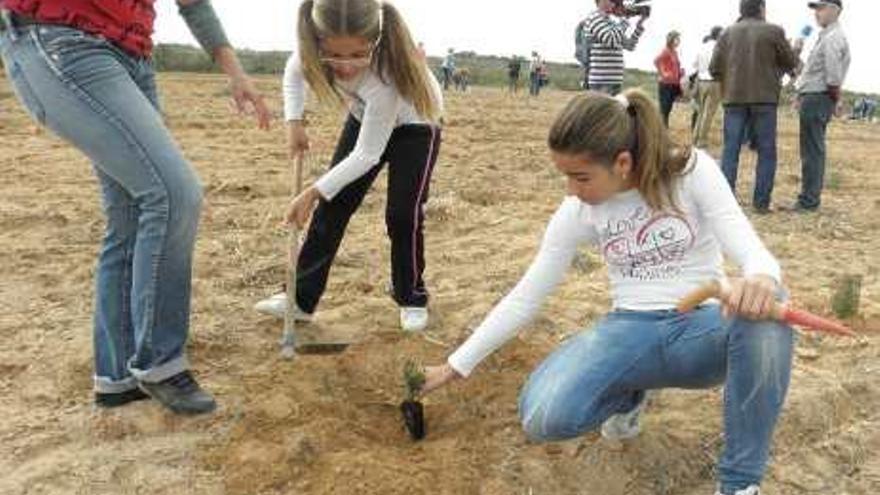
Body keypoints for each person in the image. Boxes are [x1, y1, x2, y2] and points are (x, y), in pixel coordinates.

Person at [421, 89, 793, 495]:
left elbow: (753, 250)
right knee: (543, 417)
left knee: (770, 316)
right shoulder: (578, 210)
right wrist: (456, 365)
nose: (570, 190)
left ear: (622, 163)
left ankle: (739, 483)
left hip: (701, 330)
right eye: (565, 176)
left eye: (580, 177)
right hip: (629, 329)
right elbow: (526, 297)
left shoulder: (690, 172)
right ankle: (628, 396)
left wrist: (761, 280)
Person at [0, 0, 270, 415]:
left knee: (129, 214)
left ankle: (117, 380)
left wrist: (236, 73)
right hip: (60, 41)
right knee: (174, 193)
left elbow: (193, 4)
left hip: (133, 56)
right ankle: (160, 363)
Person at [254, 0, 443, 333]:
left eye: (358, 55)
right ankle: (300, 299)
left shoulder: (386, 74)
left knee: (402, 215)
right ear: (318, 40)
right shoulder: (312, 52)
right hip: (364, 115)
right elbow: (293, 73)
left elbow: (368, 155)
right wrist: (294, 121)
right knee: (334, 205)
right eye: (334, 56)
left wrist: (312, 191)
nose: (345, 66)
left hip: (416, 123)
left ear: (376, 40)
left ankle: (411, 297)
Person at [710, 0, 799, 214]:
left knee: (730, 150)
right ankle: (760, 203)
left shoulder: (726, 34)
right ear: (761, 8)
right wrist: (793, 50)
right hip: (764, 99)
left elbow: (714, 69)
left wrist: (731, 78)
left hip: (734, 98)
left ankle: (725, 203)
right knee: (767, 152)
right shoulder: (774, 31)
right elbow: (790, 63)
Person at [789, 0, 850, 212]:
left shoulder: (833, 38)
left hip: (818, 97)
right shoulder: (825, 37)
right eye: (815, 9)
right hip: (814, 95)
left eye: (821, 8)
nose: (816, 13)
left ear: (835, 10)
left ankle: (808, 201)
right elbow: (813, 72)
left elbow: (833, 77)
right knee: (811, 150)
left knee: (812, 151)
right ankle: (808, 198)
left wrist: (836, 99)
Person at [583, 0, 647, 95]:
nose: (615, 3)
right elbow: (611, 40)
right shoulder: (594, 18)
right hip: (602, 82)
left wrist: (639, 26)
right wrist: (625, 19)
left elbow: (629, 46)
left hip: (614, 81)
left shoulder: (610, 22)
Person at [691, 26, 724, 148]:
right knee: (708, 113)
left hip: (701, 81)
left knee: (700, 112)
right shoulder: (720, 48)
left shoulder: (702, 46)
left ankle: (695, 137)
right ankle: (702, 140)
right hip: (714, 82)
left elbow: (694, 65)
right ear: (719, 35)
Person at [654, 30, 683, 127]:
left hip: (674, 83)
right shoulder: (666, 51)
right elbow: (657, 61)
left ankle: (663, 127)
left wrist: (680, 72)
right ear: (671, 40)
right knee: (664, 107)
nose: (679, 41)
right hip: (665, 83)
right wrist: (663, 73)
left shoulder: (674, 52)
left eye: (679, 39)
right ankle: (662, 127)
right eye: (677, 39)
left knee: (668, 107)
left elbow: (675, 66)